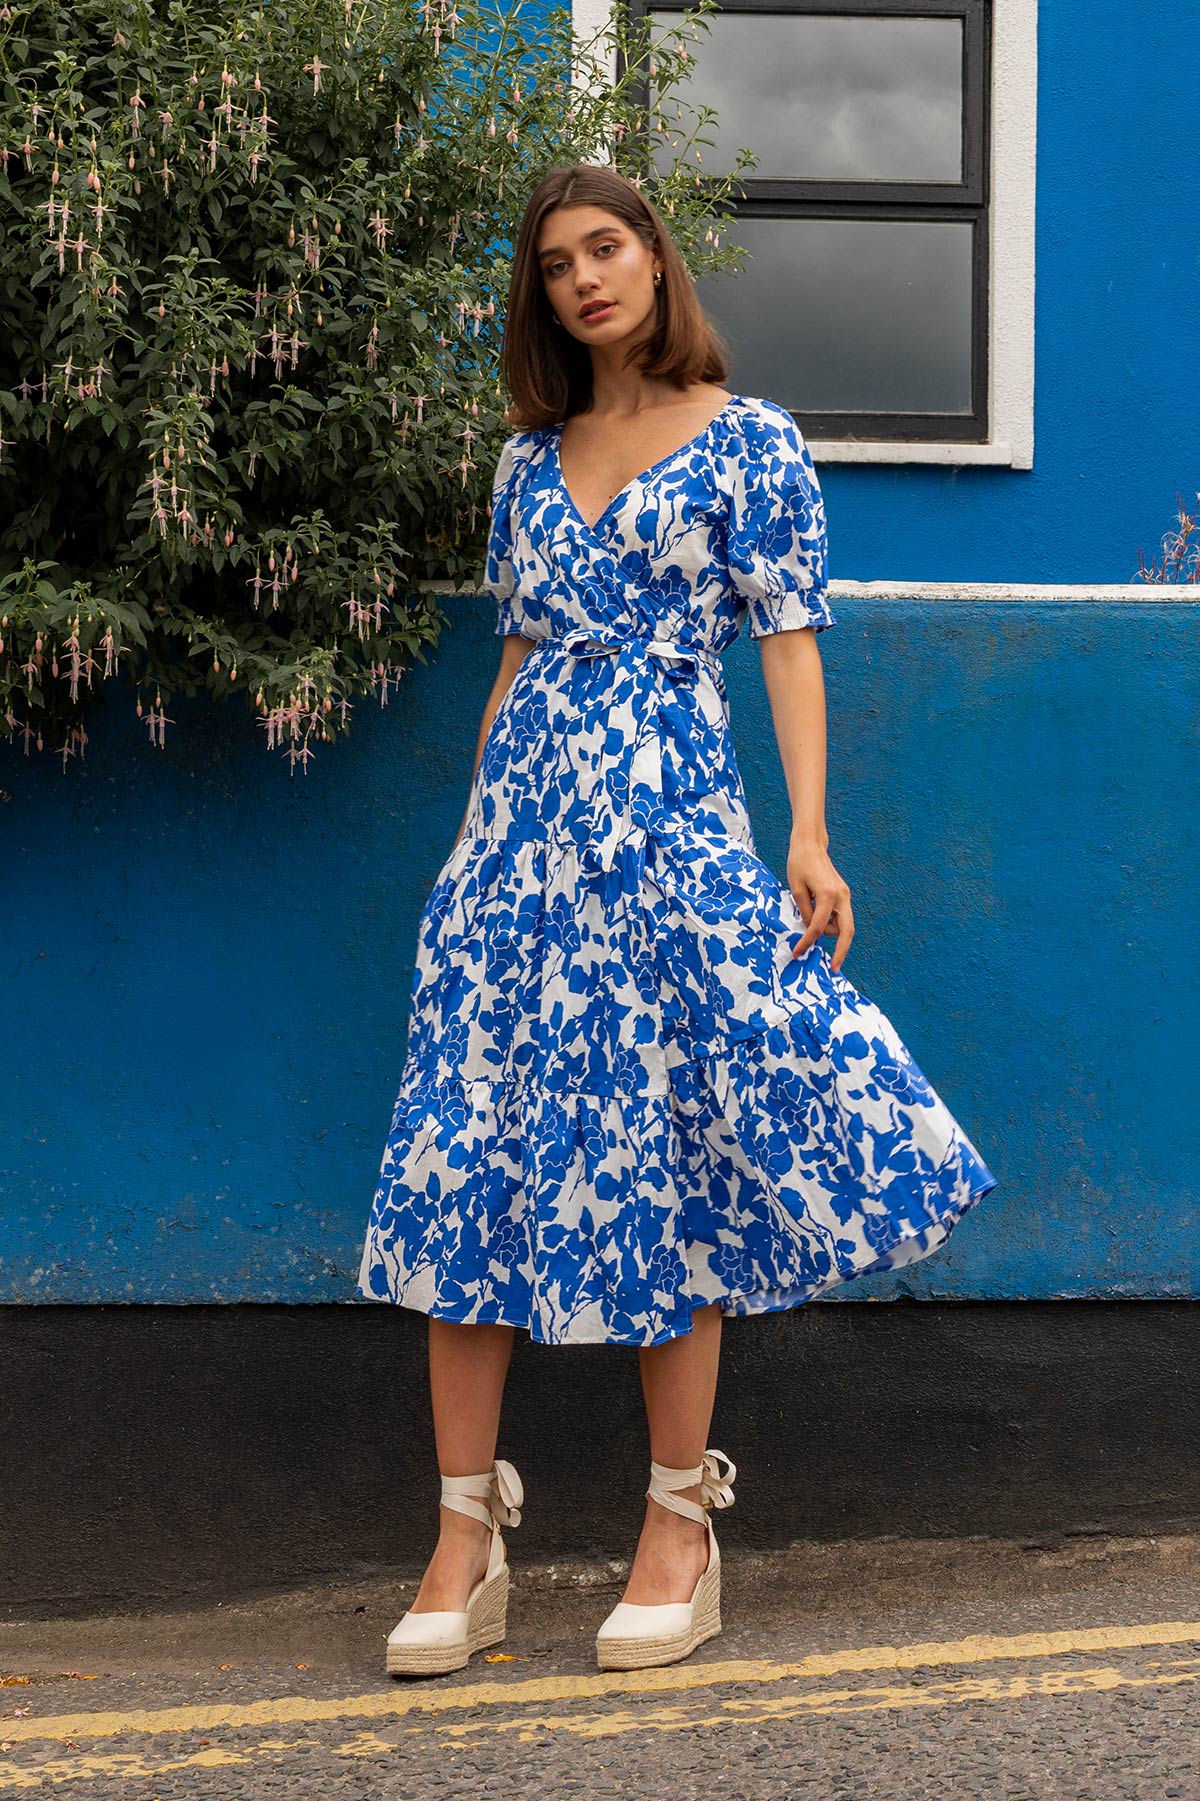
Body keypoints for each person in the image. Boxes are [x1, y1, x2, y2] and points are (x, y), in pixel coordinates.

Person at [357, 161, 997, 1679]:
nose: (586, 277)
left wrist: (811, 834)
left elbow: (787, 637)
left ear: (655, 262)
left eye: (609, 247)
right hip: (517, 847)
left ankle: (678, 1522)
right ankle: (464, 1530)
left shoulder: (751, 444)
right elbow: (515, 664)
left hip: (667, 827)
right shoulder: (528, 462)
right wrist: (464, 850)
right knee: (465, 1157)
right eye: (559, 262)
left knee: (672, 1149)